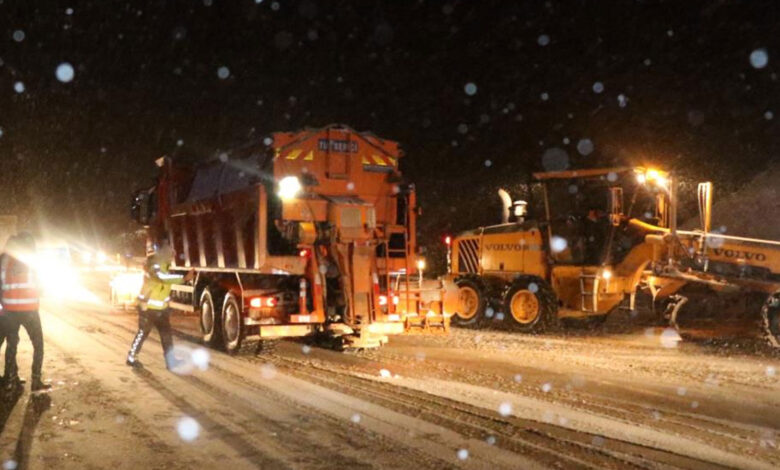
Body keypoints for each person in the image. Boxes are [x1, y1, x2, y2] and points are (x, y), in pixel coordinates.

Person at [126, 243, 193, 369]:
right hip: (147, 308)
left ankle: (171, 361)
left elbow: (164, 284)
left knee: (166, 336)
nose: (172, 257)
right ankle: (131, 357)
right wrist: (184, 278)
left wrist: (167, 305)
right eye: (170, 254)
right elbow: (162, 278)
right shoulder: (154, 266)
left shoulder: (164, 267)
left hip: (161, 310)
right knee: (142, 334)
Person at [1, 233, 49, 392]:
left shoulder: (4, 261)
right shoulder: (32, 261)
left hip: (9, 311)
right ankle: (35, 380)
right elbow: (42, 287)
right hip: (29, 312)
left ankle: (11, 379)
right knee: (38, 345)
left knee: (11, 345)